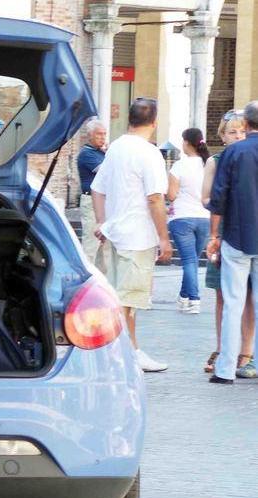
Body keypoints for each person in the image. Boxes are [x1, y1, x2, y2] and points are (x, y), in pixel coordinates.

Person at [92, 98, 172, 373]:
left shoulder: (115, 147)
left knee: (120, 299)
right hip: (137, 237)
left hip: (116, 234)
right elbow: (155, 198)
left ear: (130, 119)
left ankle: (127, 351)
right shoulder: (149, 153)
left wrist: (102, 222)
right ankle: (126, 355)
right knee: (126, 302)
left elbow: (97, 188)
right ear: (154, 122)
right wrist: (164, 237)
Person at [205, 100, 258, 384]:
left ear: (246, 124)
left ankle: (225, 369)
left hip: (237, 235)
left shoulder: (233, 152)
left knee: (233, 303)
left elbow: (219, 196)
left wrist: (214, 235)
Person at [166, 127, 210, 314]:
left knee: (189, 260)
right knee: (192, 260)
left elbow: (171, 194)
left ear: (186, 142)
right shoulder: (209, 164)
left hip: (182, 217)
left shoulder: (179, 166)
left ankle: (194, 299)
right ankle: (184, 297)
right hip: (205, 218)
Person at [77, 118, 107, 263]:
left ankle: (103, 277)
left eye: (104, 134)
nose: (103, 137)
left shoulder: (101, 153)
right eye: (99, 134)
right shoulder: (86, 154)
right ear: (90, 135)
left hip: (103, 201)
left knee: (105, 249)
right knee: (91, 244)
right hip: (91, 202)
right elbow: (106, 172)